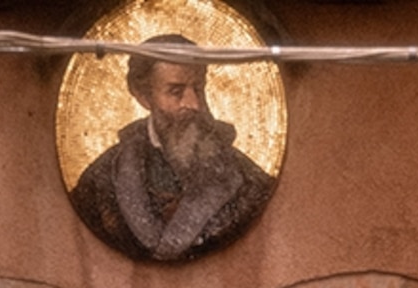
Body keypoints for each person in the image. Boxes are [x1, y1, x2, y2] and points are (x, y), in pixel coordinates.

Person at [69, 39, 276, 263]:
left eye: (198, 89)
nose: (193, 103)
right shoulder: (102, 179)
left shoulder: (246, 179)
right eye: (176, 92)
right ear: (144, 96)